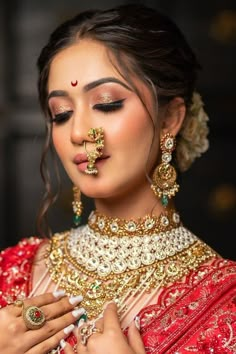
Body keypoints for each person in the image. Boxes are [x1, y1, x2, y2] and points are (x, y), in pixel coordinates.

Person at [0, 3, 236, 354]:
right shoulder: (12, 270)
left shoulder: (225, 305)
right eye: (61, 114)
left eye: (107, 104)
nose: (79, 132)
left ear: (170, 119)